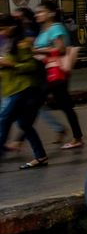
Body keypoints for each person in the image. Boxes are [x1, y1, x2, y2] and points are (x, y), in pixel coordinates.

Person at [32, 2, 83, 150]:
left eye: (41, 12)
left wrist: (37, 51)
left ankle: (18, 140)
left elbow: (60, 49)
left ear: (51, 14)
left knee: (34, 103)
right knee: (65, 105)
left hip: (55, 71)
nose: (37, 15)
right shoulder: (44, 29)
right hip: (49, 72)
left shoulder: (55, 28)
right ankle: (77, 137)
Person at [0, 15, 47, 168]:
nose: (1, 33)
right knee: (25, 124)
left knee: (4, 120)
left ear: (12, 27)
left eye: (3, 29)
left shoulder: (22, 43)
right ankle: (41, 156)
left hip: (23, 88)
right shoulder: (11, 42)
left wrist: (10, 64)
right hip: (13, 88)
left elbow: (31, 66)